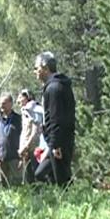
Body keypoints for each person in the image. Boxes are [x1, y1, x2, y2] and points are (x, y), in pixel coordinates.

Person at [33, 52, 76, 186]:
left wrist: (55, 145)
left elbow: (57, 119)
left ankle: (69, 205)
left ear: (45, 68)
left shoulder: (54, 88)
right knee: (49, 177)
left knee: (61, 182)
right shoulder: (57, 86)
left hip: (59, 144)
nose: (35, 72)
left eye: (37, 68)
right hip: (59, 141)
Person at [0, 93, 23, 186]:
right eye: (1, 103)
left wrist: (22, 157)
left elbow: (23, 136)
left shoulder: (18, 119)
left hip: (15, 157)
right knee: (3, 184)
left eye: (4, 103)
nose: (2, 105)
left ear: (11, 103)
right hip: (1, 157)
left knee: (17, 183)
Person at [16, 89, 44, 183]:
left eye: (20, 97)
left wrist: (26, 146)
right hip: (26, 150)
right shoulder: (25, 111)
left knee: (37, 174)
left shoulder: (34, 109)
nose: (18, 101)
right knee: (29, 177)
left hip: (35, 149)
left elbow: (35, 131)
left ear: (27, 98)